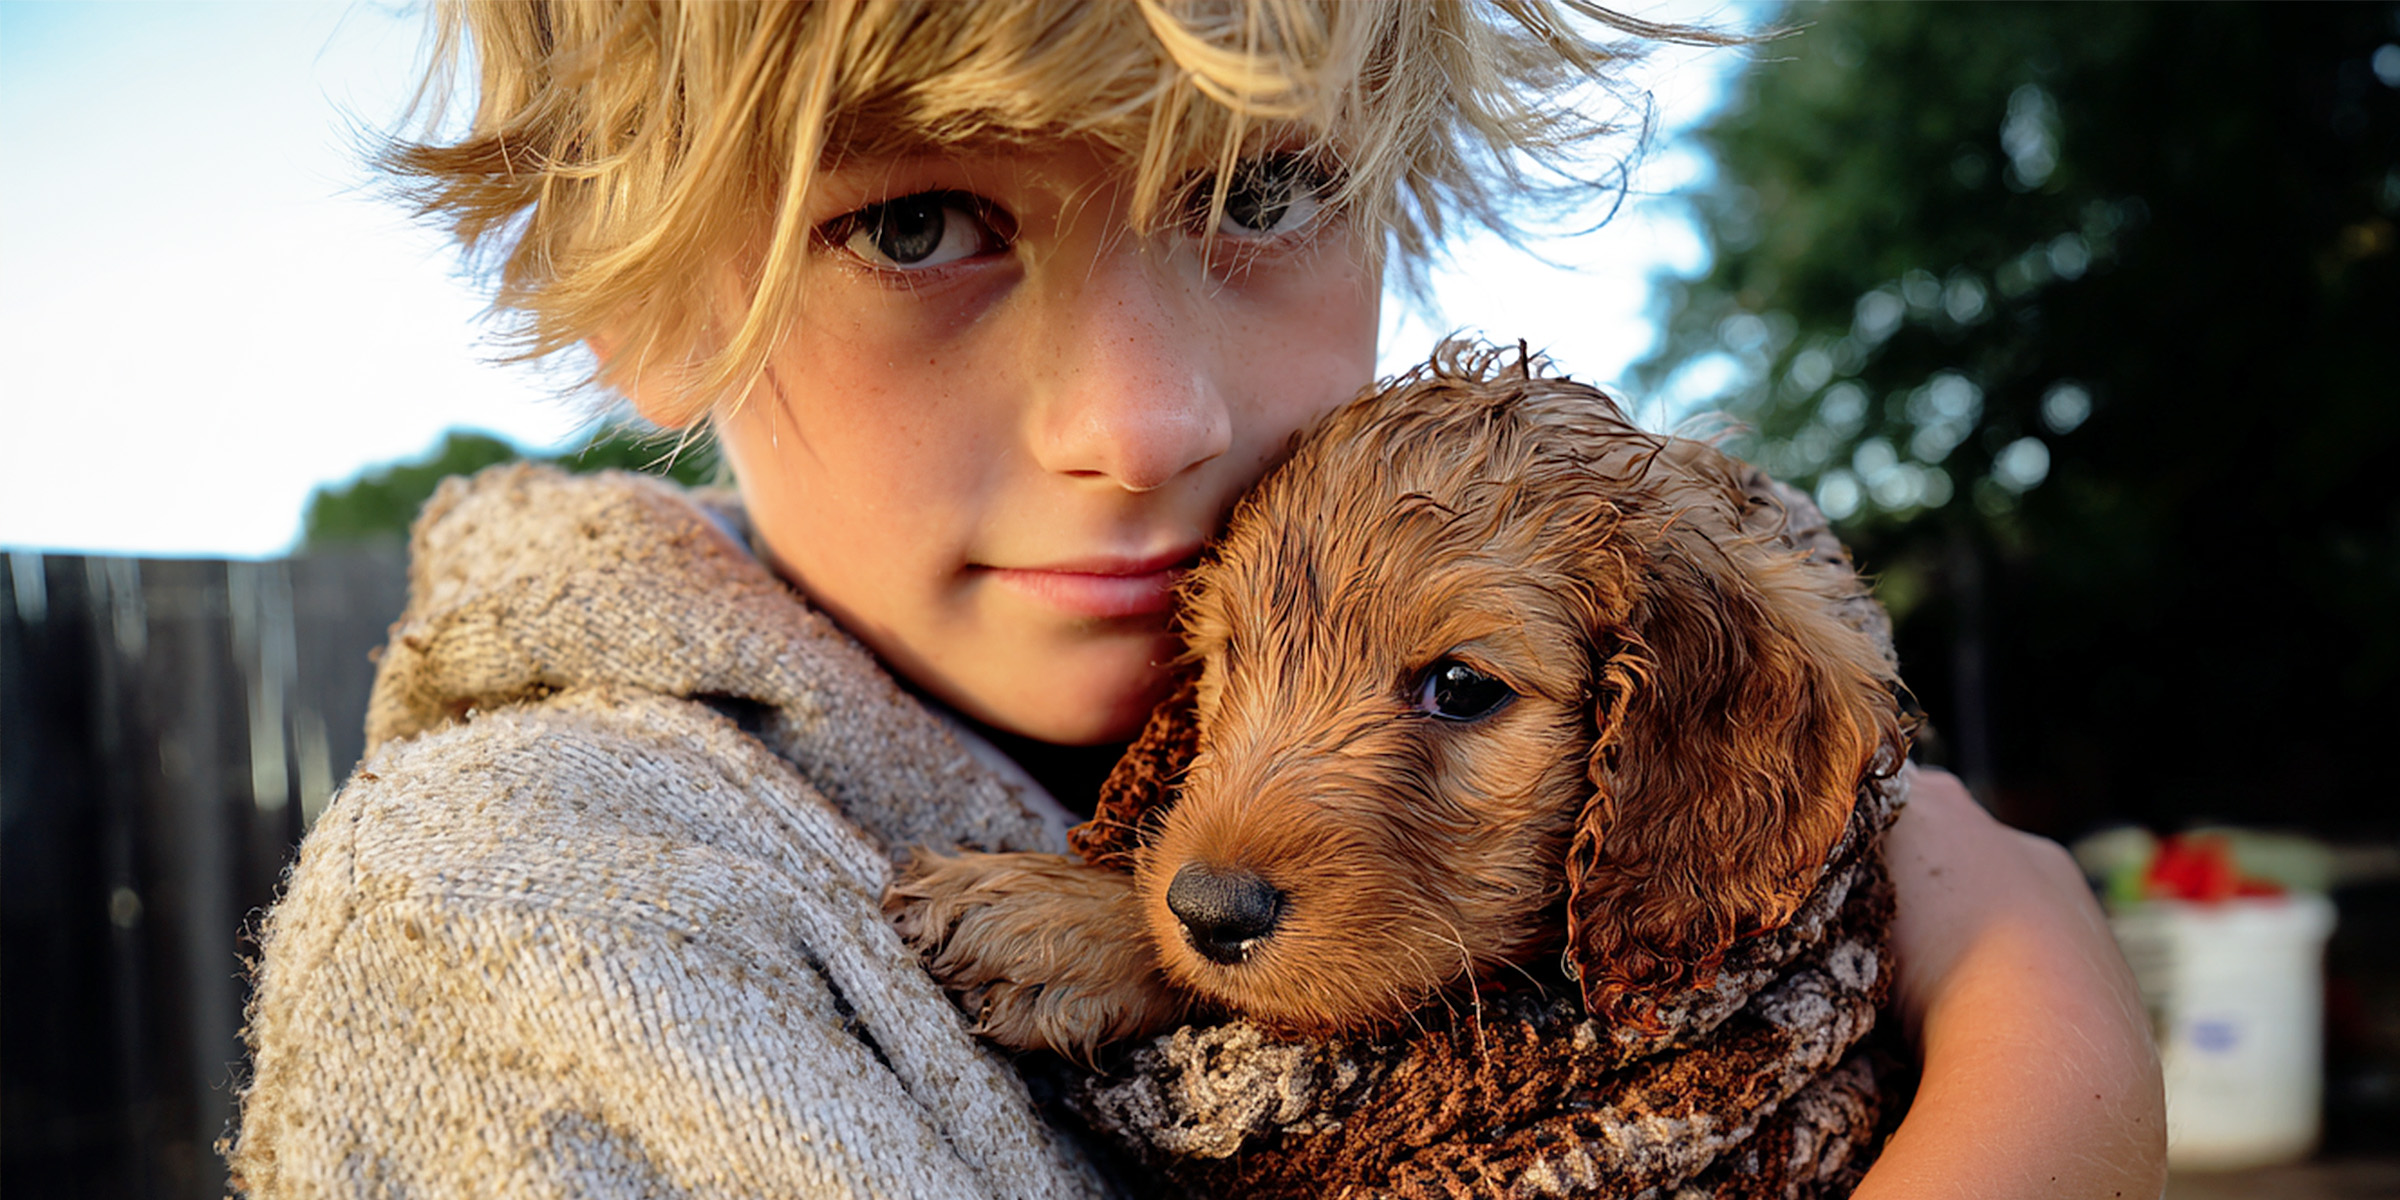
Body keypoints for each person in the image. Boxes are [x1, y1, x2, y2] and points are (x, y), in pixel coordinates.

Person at [228, 3, 2167, 1196]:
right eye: (918, 224)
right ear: (643, 297)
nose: (1144, 421)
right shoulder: (527, 913)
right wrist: (2048, 1057)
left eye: (1257, 192)